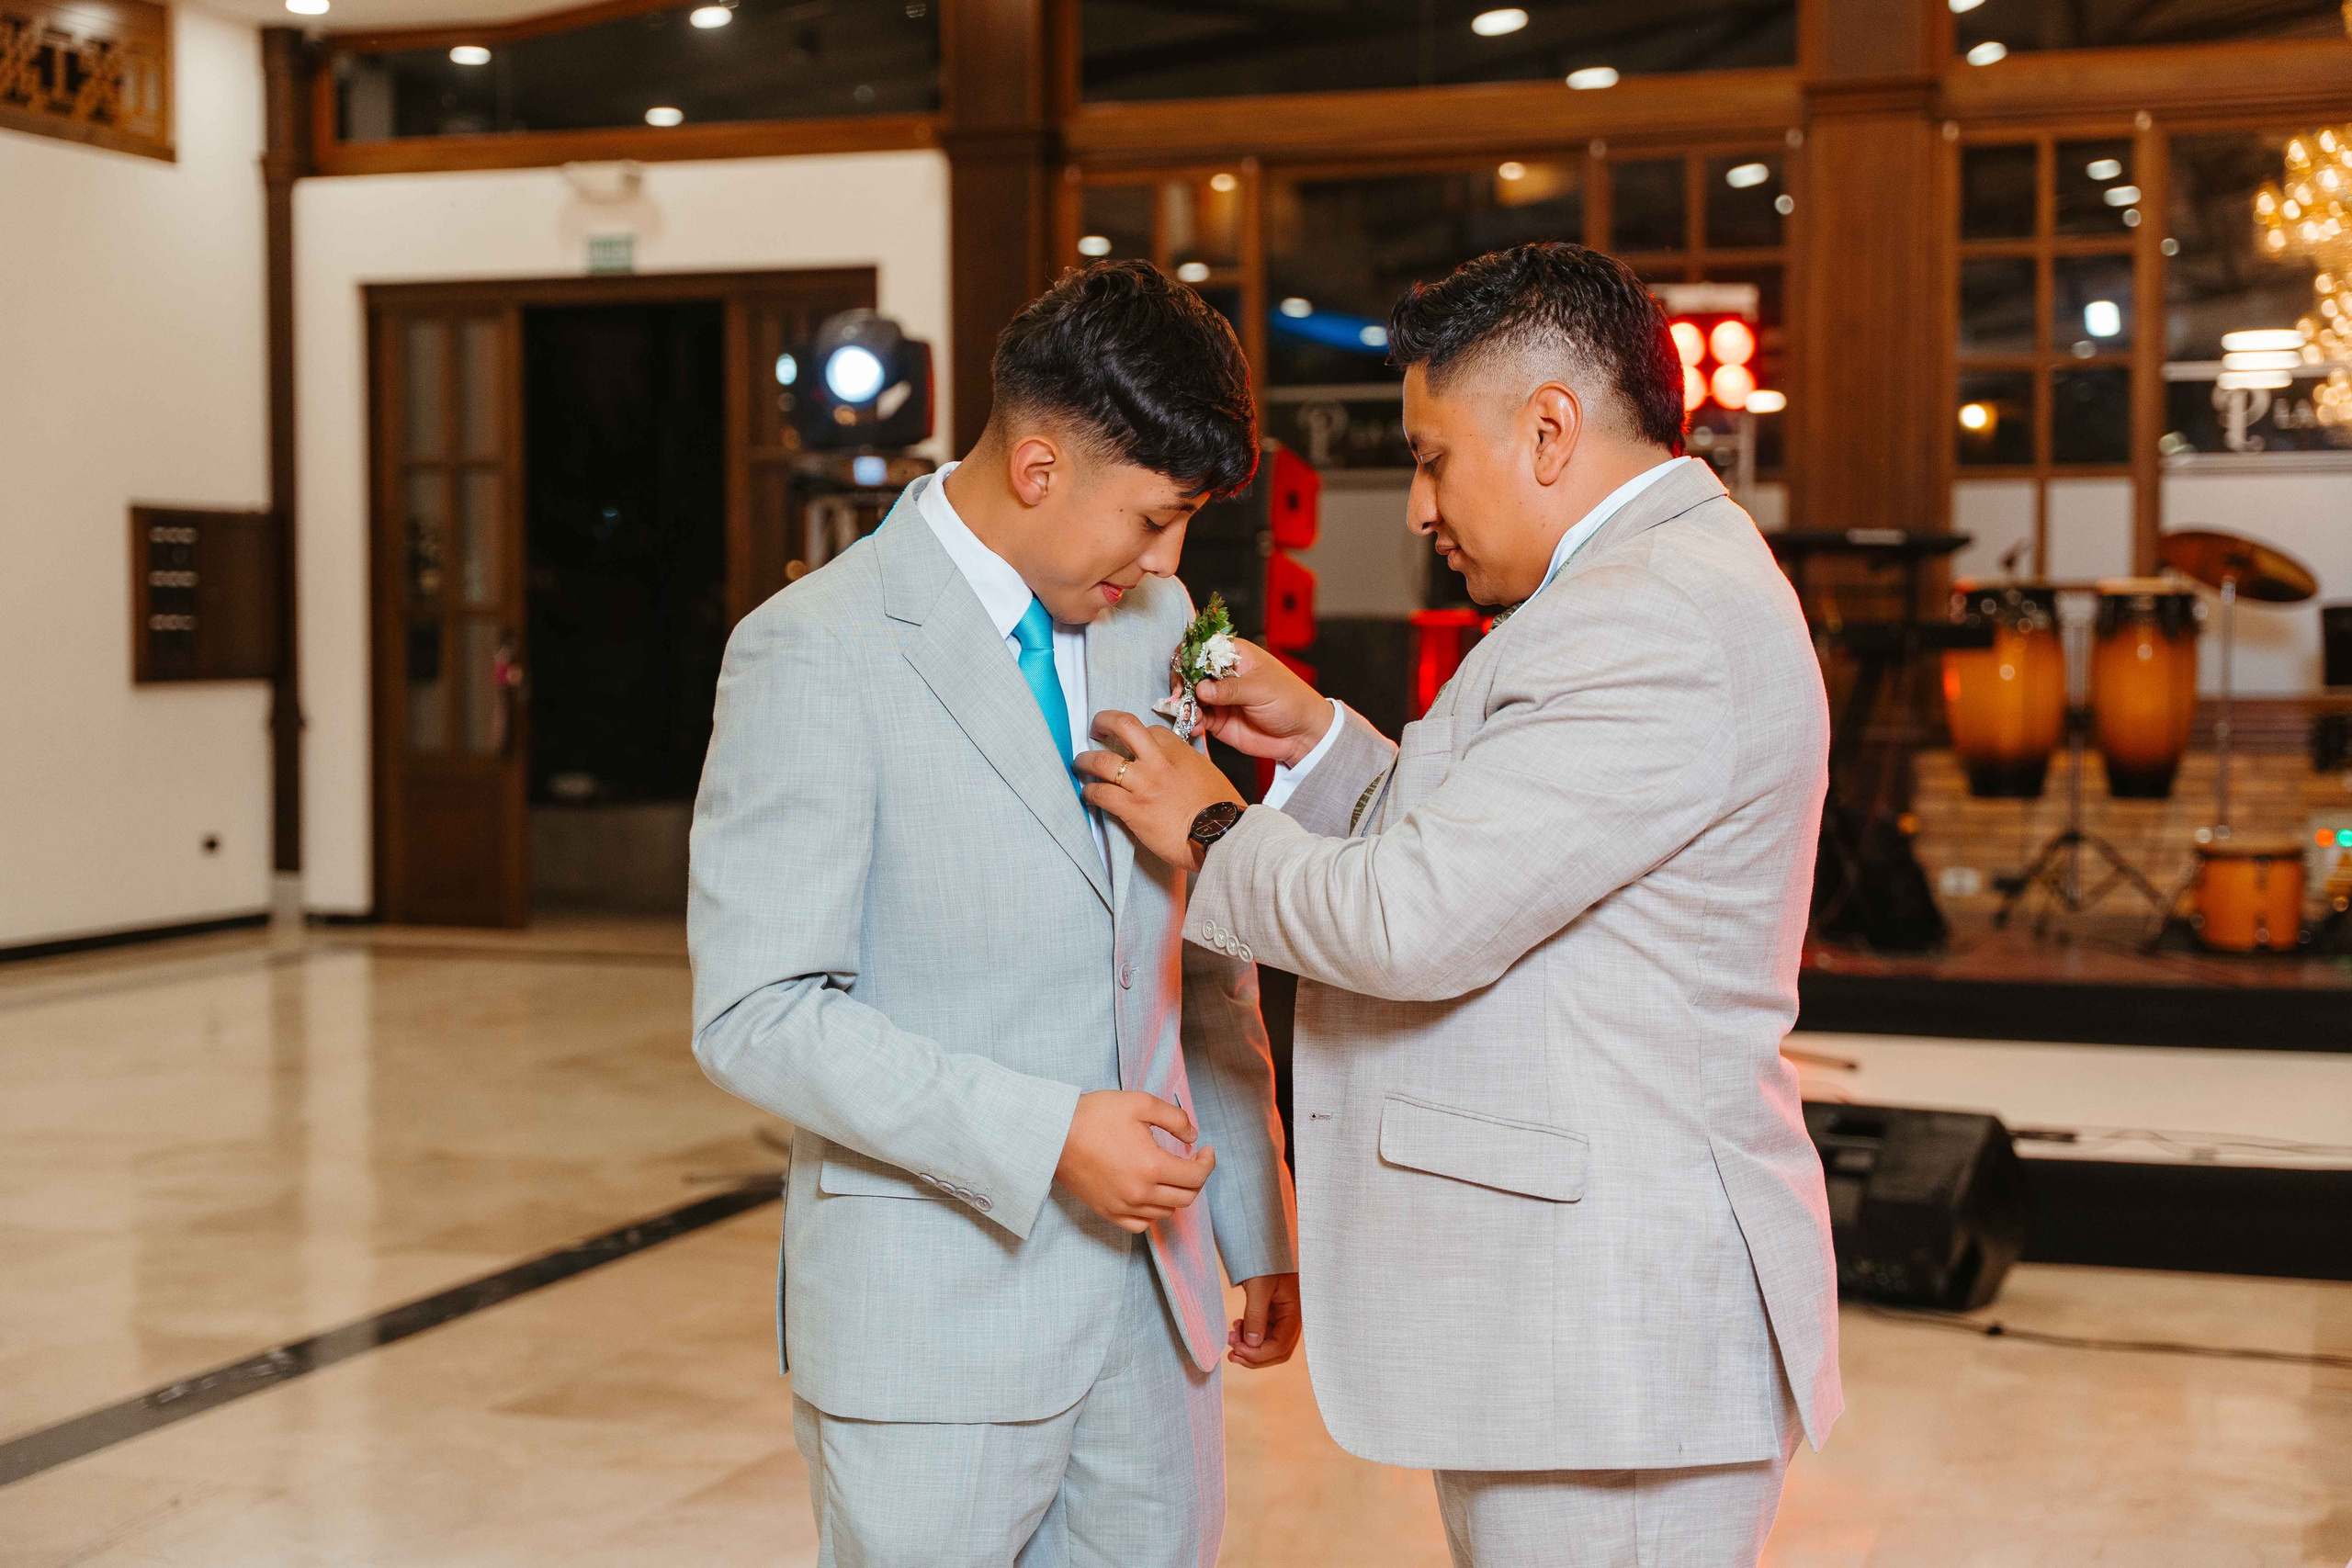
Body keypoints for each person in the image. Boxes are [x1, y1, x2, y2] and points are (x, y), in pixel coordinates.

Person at [1079, 242, 1841, 1568]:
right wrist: (1316, 741)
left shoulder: (1647, 615)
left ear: (1550, 430)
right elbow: (1508, 847)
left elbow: (1413, 922)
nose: (1421, 506)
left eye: (1432, 458)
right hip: (1575, 1343)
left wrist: (1207, 824)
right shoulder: (1638, 587)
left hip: (1619, 1360)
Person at [688, 260, 1299, 1568]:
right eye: (1151, 517)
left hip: (1155, 1319)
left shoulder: (1159, 627)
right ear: (1037, 467)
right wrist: (1043, 1136)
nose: (1169, 558)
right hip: (931, 1327)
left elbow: (1197, 954)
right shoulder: (814, 649)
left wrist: (1253, 1216)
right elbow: (756, 1014)